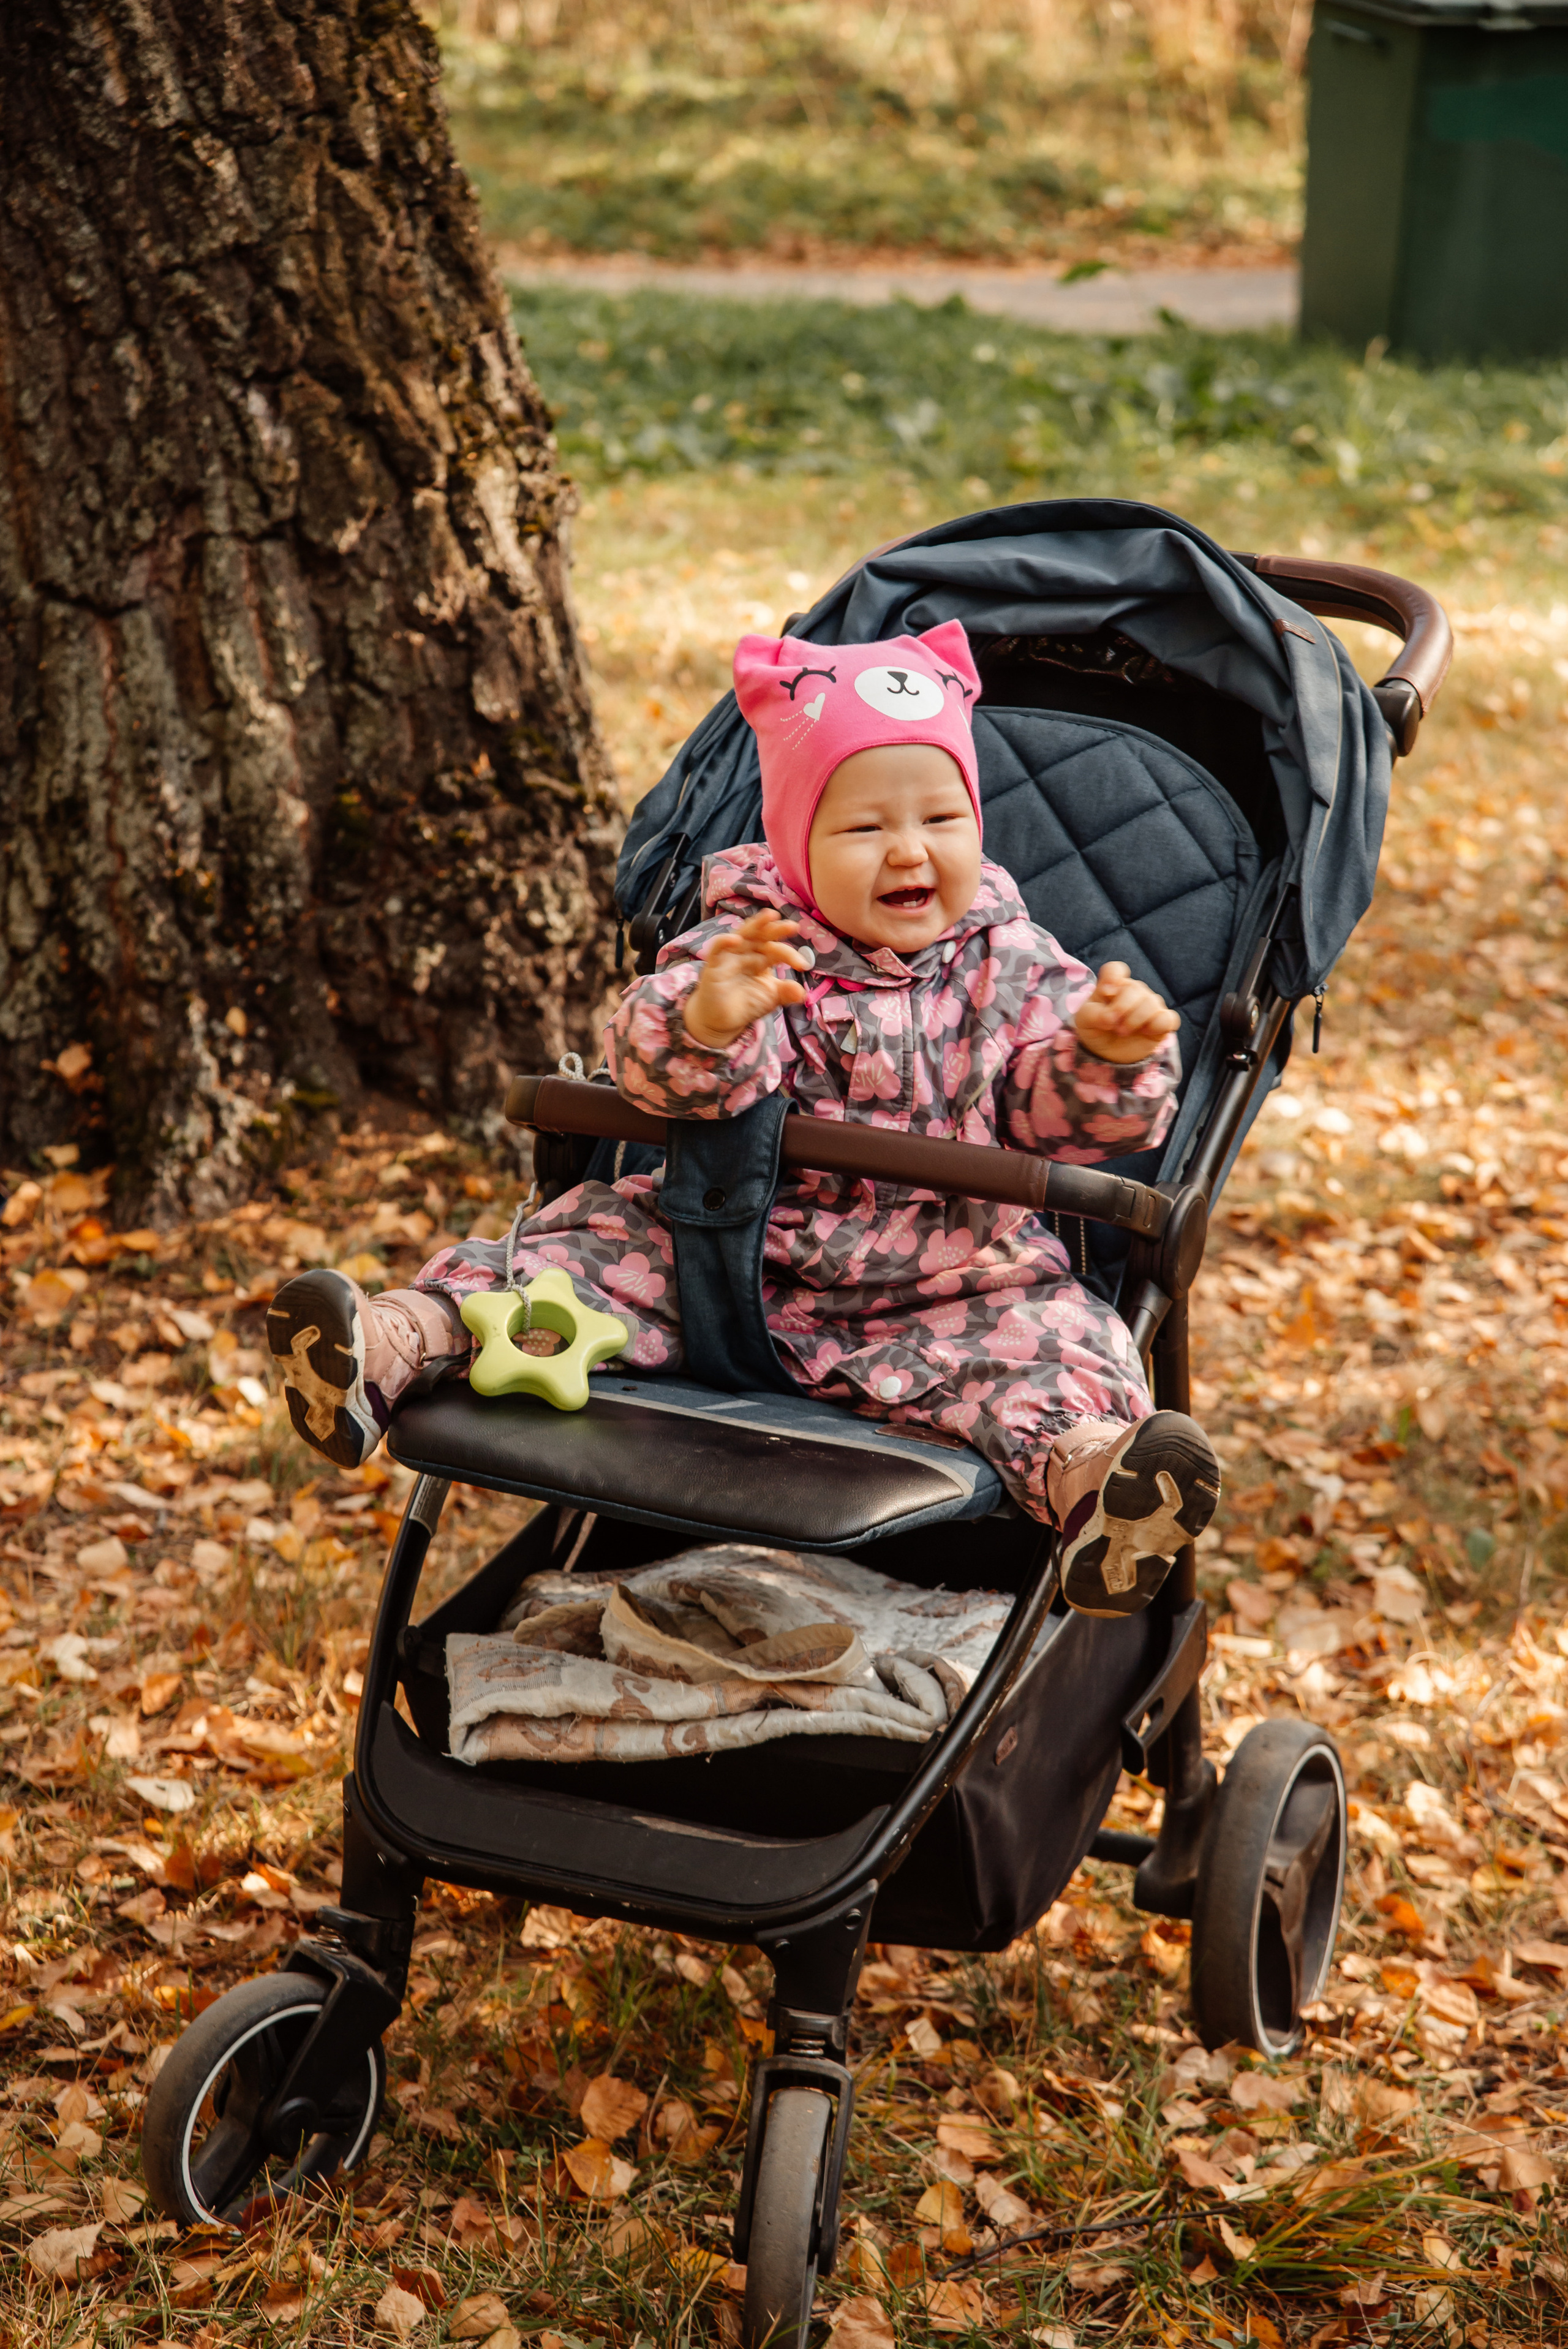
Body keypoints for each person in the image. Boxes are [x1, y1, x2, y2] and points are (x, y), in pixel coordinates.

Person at [268, 622, 1220, 1617]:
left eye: (942, 817)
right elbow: (651, 1068)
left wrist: (1106, 1062)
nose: (910, 849)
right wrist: (711, 1017)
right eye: (864, 829)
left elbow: (1056, 1118)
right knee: (562, 1261)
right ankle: (385, 1348)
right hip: (723, 1259)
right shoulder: (748, 942)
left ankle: (1095, 1484)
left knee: (1056, 1349)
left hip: (947, 1286)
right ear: (796, 838)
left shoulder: (1010, 960)